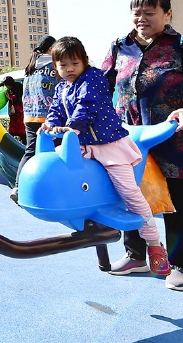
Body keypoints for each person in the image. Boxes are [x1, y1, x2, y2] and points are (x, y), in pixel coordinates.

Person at [102, 0, 183, 291]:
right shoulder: (120, 47)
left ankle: (179, 265)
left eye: (149, 12)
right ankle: (135, 255)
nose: (141, 19)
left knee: (175, 202)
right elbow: (100, 88)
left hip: (171, 139)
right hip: (127, 139)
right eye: (137, 13)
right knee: (129, 195)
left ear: (168, 14)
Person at [44, 37, 172, 275]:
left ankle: (154, 243)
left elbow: (87, 106)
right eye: (63, 65)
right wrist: (51, 125)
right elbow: (56, 110)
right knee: (62, 169)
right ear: (55, 67)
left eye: (74, 63)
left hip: (108, 144)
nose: (69, 69)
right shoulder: (62, 87)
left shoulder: (93, 79)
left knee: (130, 192)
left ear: (85, 61)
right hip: (82, 144)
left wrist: (70, 127)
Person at [12, 36, 58, 203]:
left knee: (30, 151)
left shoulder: (30, 68)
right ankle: (53, 188)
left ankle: (18, 186)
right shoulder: (54, 65)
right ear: (51, 48)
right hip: (49, 116)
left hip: (30, 115)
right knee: (57, 151)